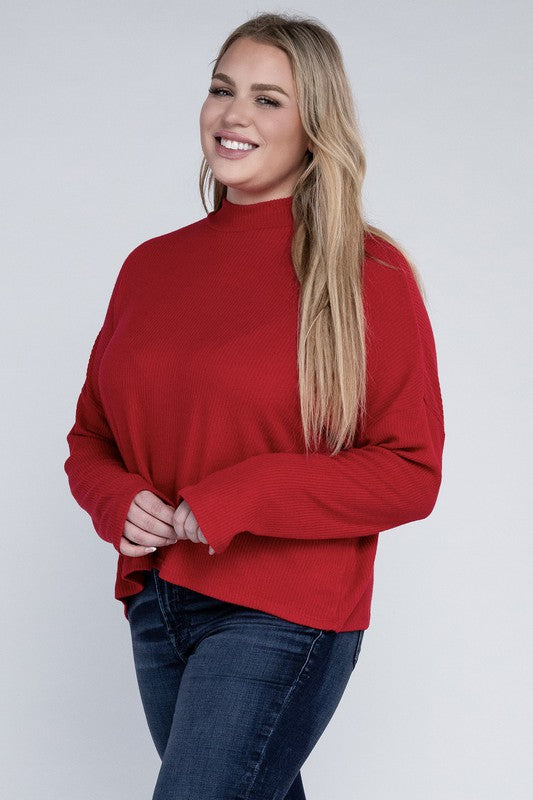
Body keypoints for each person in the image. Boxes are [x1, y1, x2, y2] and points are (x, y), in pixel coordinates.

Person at [64, 11, 444, 800]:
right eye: (222, 89)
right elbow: (91, 436)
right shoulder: (150, 267)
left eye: (268, 100)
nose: (233, 115)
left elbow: (410, 473)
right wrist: (115, 499)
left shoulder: (365, 272)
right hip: (159, 604)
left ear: (314, 127)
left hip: (283, 610)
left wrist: (239, 495)